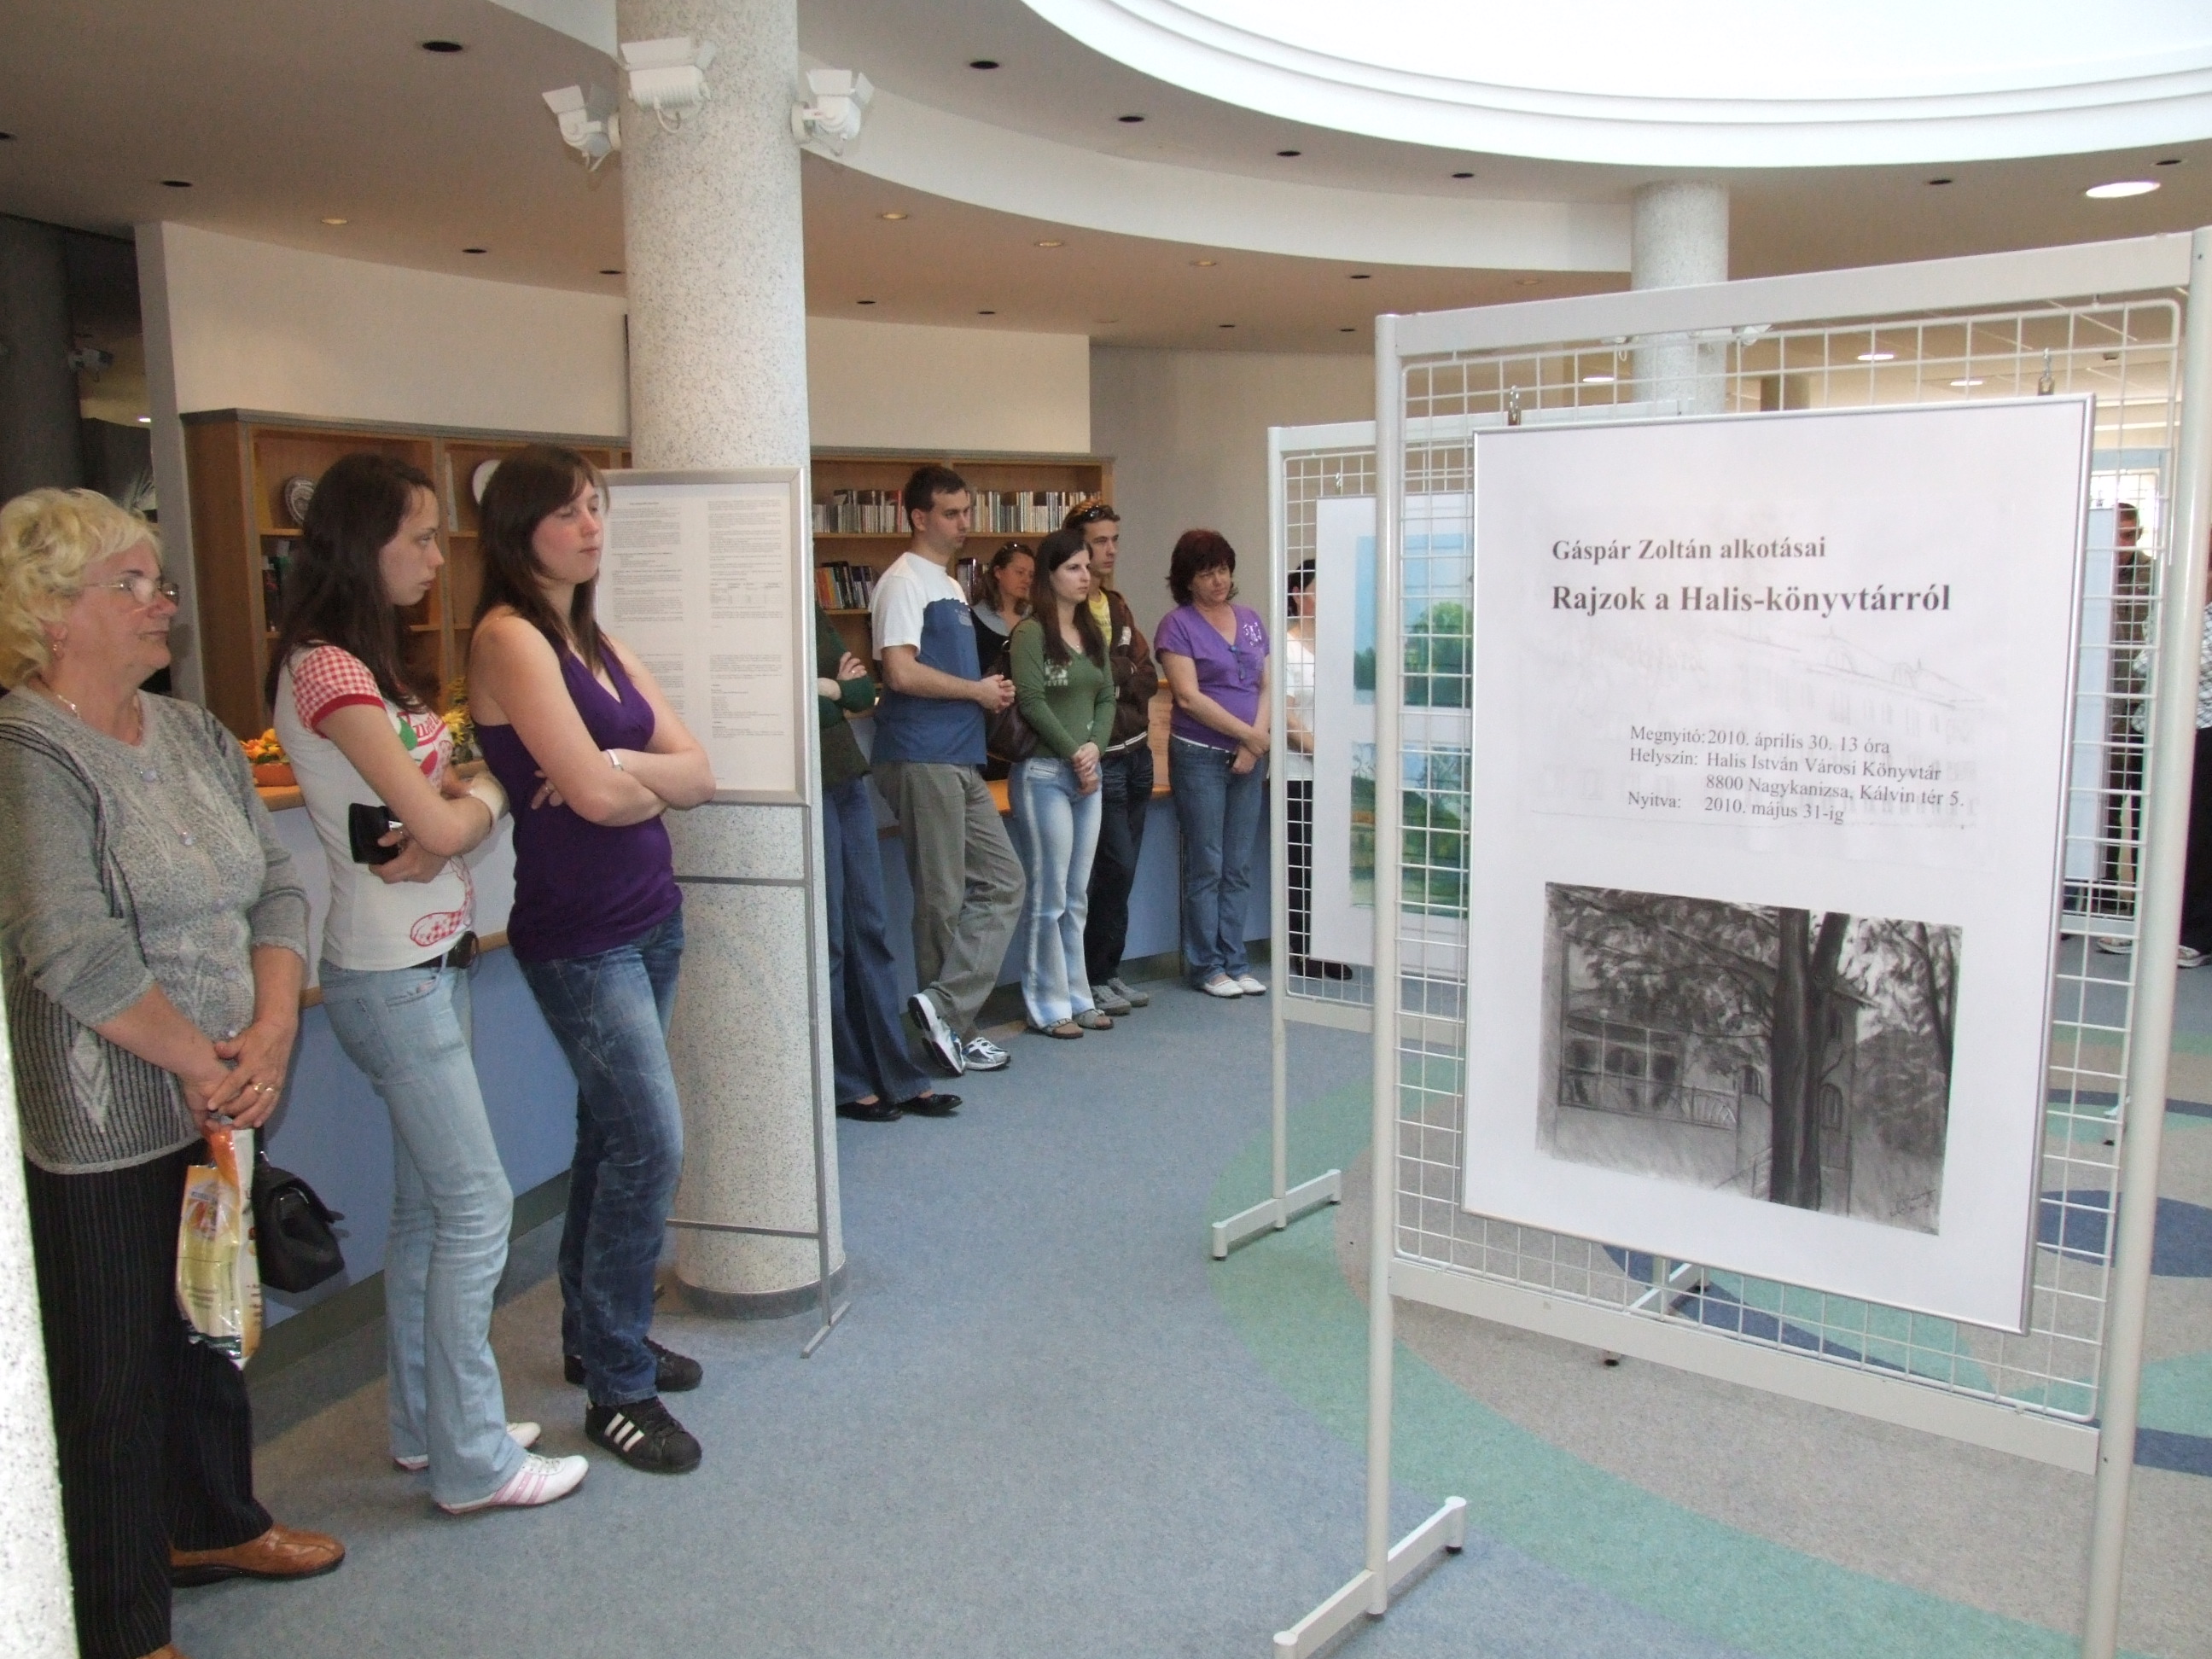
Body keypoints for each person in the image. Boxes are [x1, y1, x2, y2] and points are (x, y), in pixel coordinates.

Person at [0, 487, 343, 1659]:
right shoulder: (27, 755)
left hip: (224, 1093)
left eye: (160, 579)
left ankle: (213, 1524)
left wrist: (274, 1026)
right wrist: (207, 1063)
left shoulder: (194, 734)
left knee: (208, 1327)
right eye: (133, 584)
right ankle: (119, 1621)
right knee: (111, 1378)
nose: (166, 602)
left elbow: (278, 887)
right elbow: (70, 947)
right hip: (102, 1121)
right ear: (50, 612)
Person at [268, 453, 587, 1514]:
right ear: (362, 544)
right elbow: (446, 820)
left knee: (424, 1214)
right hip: (389, 975)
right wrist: (480, 800)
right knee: (477, 1207)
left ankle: (425, 1425)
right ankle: (473, 1460)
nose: (433, 557)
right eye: (414, 537)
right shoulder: (326, 672)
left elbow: (457, 793)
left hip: (429, 960)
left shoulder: (369, 664)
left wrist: (467, 800)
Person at [468, 445, 717, 1476]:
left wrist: (613, 763)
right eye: (569, 512)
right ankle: (617, 1385)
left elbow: (698, 773)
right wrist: (623, 779)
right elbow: (613, 798)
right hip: (581, 936)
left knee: (612, 1138)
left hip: (651, 915)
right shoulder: (508, 636)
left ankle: (593, 1334)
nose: (591, 527)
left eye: (595, 508)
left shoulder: (597, 641)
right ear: (518, 529)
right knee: (650, 1143)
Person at [870, 464, 1026, 1075]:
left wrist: (984, 692)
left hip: (959, 755)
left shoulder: (952, 586)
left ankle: (945, 1011)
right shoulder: (903, 582)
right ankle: (949, 1034)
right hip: (921, 753)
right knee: (941, 898)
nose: (965, 523)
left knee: (1004, 882)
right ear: (919, 517)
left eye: (967, 511)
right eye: (951, 513)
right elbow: (899, 671)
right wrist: (976, 691)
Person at [816, 605, 959, 1121]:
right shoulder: (759, 617)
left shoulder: (809, 608)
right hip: (804, 783)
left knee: (870, 931)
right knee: (831, 942)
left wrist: (830, 691)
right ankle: (847, 1082)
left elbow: (862, 694)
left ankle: (897, 1076)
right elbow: (781, 705)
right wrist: (832, 691)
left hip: (845, 778)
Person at [1007, 530, 1119, 1038]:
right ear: (1049, 575)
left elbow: (1107, 697)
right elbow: (1031, 701)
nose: (1085, 576)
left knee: (1077, 896)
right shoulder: (1031, 633)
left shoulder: (1092, 631)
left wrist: (1095, 746)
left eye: (1087, 567)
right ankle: (1047, 1005)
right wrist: (1075, 752)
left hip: (1087, 776)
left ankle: (1079, 997)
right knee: (1049, 897)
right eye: (1073, 567)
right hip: (1045, 775)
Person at [1155, 529, 1272, 998]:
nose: (1218, 580)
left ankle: (1236, 961)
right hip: (1200, 755)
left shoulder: (1250, 620)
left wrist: (1254, 744)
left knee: (1238, 865)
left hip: (1250, 754)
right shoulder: (1176, 625)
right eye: (1206, 573)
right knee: (1207, 863)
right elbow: (1187, 697)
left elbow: (1267, 686)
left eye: (1222, 570)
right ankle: (1206, 966)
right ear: (1188, 579)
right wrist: (1250, 736)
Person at [1065, 502, 1159, 1017]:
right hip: (1101, 760)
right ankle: (1091, 975)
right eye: (1099, 541)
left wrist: (1115, 676)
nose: (1110, 550)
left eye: (1114, 540)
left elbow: (1146, 676)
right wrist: (1116, 676)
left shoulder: (1117, 605)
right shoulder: (1066, 612)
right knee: (1111, 869)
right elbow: (1086, 682)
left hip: (1138, 752)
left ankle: (1109, 969)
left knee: (1126, 872)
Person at [1280, 558, 1351, 981]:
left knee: (1334, 864)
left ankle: (1333, 947)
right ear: (1298, 595)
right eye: (1320, 590)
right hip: (1300, 772)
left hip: (1340, 774)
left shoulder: (1341, 648)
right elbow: (1286, 715)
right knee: (1303, 862)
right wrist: (1321, 753)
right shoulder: (1287, 648)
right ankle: (1303, 948)